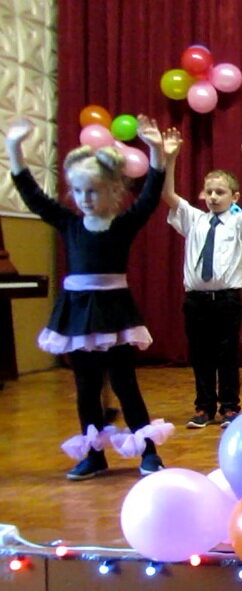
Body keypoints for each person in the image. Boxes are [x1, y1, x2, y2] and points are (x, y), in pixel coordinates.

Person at [6, 116, 171, 480]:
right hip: (78, 314)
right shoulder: (68, 223)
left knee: (125, 383)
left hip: (115, 313)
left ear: (114, 190)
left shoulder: (124, 224)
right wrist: (14, 148)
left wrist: (156, 150)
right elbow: (33, 196)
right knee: (86, 388)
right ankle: (94, 456)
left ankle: (148, 452)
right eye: (79, 192)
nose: (85, 199)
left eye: (93, 191)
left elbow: (150, 195)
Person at [164, 131, 242, 429]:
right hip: (196, 299)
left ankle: (230, 407)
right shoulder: (194, 219)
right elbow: (168, 196)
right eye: (209, 191)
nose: (213, 197)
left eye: (220, 192)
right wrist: (170, 159)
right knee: (201, 356)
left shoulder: (239, 222)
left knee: (226, 355)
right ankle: (204, 408)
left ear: (234, 197)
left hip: (227, 299)